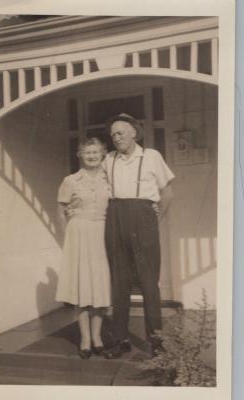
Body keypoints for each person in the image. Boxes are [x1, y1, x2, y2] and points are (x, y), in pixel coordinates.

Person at [102, 113, 175, 359]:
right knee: (119, 282)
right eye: (112, 134)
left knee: (148, 284)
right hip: (115, 216)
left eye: (120, 132)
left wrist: (155, 219)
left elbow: (167, 193)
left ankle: (157, 345)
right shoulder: (108, 159)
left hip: (143, 216)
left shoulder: (152, 156)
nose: (116, 138)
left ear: (134, 132)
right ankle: (118, 339)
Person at [56, 137, 111, 359]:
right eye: (87, 152)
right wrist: (65, 239)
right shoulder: (70, 180)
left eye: (95, 152)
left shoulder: (110, 179)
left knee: (99, 286)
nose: (91, 156)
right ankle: (85, 339)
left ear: (103, 154)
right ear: (80, 155)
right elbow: (61, 211)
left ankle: (97, 337)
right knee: (82, 287)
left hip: (102, 233)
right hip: (78, 233)